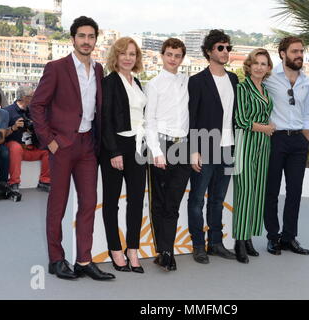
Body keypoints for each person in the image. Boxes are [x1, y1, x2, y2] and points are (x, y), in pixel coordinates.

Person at [30, 16, 115, 281]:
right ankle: (56, 259)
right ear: (73, 39)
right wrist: (50, 141)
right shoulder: (56, 67)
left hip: (88, 145)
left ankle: (84, 260)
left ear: (95, 40)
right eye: (82, 36)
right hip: (63, 146)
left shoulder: (99, 70)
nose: (86, 41)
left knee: (89, 203)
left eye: (91, 37)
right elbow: (37, 105)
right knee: (58, 203)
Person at [188, 29, 238, 264]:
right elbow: (192, 118)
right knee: (197, 199)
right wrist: (194, 150)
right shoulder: (197, 81)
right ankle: (198, 245)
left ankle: (215, 243)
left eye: (228, 47)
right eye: (220, 47)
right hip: (205, 146)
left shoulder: (234, 79)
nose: (225, 51)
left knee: (218, 199)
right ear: (209, 51)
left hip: (228, 148)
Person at [100, 37, 147, 274]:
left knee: (137, 201)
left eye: (132, 53)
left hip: (138, 147)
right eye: (124, 53)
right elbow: (105, 119)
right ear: (115, 56)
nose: (128, 58)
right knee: (111, 202)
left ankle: (133, 250)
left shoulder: (137, 82)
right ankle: (115, 249)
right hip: (116, 146)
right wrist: (113, 151)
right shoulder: (109, 83)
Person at [145, 38, 192, 272]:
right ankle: (163, 251)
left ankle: (167, 250)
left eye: (177, 55)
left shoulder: (187, 82)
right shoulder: (153, 85)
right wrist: (155, 151)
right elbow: (149, 121)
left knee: (173, 203)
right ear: (162, 56)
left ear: (182, 58)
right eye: (169, 54)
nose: (173, 59)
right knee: (159, 202)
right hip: (161, 145)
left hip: (183, 147)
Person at [263, 36, 309, 256]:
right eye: (294, 51)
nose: (299, 55)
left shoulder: (307, 82)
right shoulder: (270, 78)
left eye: (301, 51)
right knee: (271, 190)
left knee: (295, 191)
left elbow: (308, 113)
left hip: (298, 142)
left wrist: (306, 137)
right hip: (276, 138)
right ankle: (272, 237)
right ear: (283, 54)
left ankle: (289, 237)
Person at [233, 49, 275, 264]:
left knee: (258, 192)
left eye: (264, 63)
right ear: (249, 65)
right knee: (245, 192)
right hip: (245, 144)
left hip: (263, 146)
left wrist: (268, 128)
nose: (259, 67)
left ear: (268, 68)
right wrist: (266, 128)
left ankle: (249, 237)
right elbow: (240, 120)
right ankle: (239, 241)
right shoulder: (242, 88)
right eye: (256, 63)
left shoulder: (266, 90)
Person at [4, 86, 51, 193]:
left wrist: (36, 127)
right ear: (23, 97)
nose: (34, 98)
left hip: (32, 147)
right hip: (17, 148)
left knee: (48, 148)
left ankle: (45, 181)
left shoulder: (35, 112)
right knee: (15, 147)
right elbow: (1, 133)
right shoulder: (7, 111)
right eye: (31, 97)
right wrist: (14, 127)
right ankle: (14, 182)